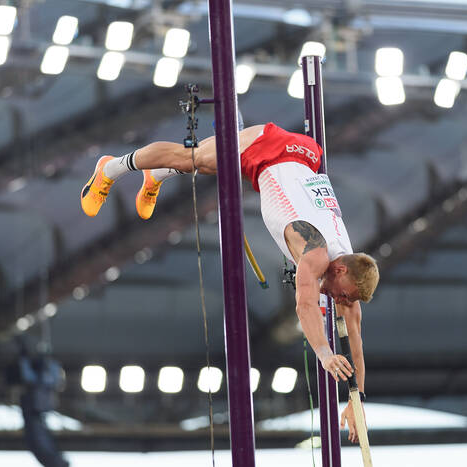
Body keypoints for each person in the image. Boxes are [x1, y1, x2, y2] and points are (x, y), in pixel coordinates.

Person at [80, 122, 380, 443]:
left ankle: (157, 175)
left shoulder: (348, 265)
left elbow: (357, 343)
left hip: (302, 155)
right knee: (190, 158)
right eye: (344, 296)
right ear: (340, 272)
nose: (342, 302)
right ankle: (109, 168)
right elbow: (304, 305)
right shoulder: (315, 251)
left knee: (205, 162)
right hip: (269, 150)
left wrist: (356, 400)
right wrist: (324, 354)